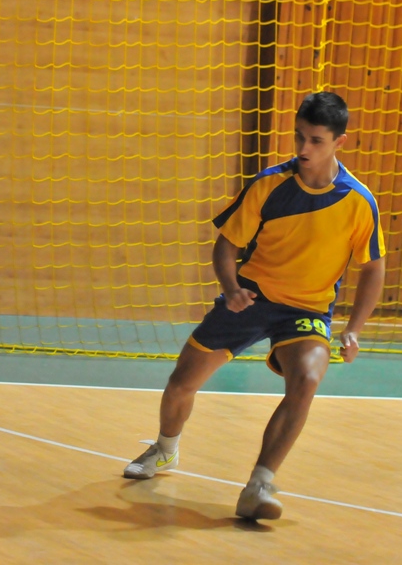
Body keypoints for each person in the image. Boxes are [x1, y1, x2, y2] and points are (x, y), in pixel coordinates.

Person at [122, 91, 386, 521]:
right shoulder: (269, 185)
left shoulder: (359, 201)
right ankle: (166, 448)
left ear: (340, 142)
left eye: (316, 140)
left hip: (307, 311)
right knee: (181, 384)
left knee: (307, 379)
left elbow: (373, 268)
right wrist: (230, 289)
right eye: (299, 136)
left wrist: (354, 328)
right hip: (251, 299)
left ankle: (260, 483)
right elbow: (226, 246)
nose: (303, 148)